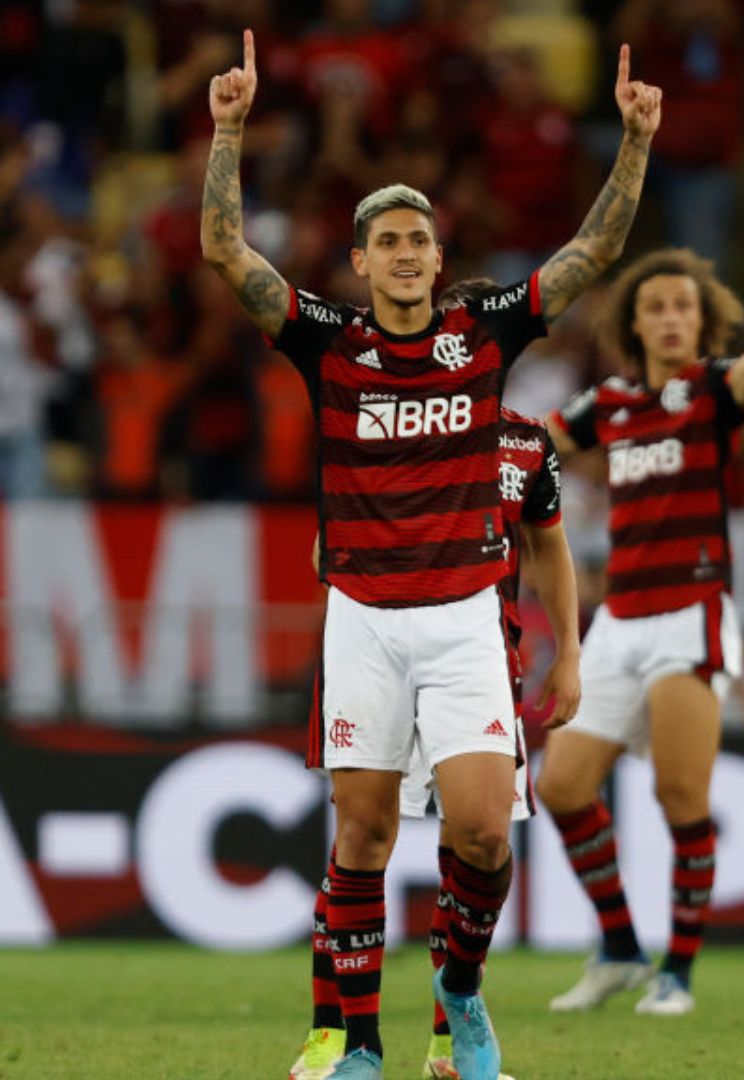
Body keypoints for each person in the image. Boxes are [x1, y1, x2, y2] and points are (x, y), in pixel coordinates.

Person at [200, 29, 656, 1080]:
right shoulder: (328, 343)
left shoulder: (486, 331)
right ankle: (356, 1044)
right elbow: (229, 254)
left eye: (420, 240)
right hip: (361, 616)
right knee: (360, 837)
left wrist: (632, 142)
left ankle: (457, 988)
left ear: (439, 259)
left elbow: (591, 256)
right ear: (360, 263)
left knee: (485, 836)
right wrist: (228, 130)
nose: (406, 253)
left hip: (463, 621)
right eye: (388, 242)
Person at [537, 247, 744, 1016]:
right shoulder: (607, 404)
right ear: (632, 325)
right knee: (561, 786)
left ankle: (678, 971)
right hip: (618, 621)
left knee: (680, 796)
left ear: (702, 320)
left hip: (689, 614)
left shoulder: (711, 390)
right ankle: (617, 947)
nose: (673, 318)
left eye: (684, 306)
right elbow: (531, 443)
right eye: (657, 307)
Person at [293, 390, 574, 1080]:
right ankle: (334, 1035)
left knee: (473, 843)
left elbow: (550, 547)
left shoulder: (527, 443)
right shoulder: (385, 423)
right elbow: (324, 551)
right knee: (360, 833)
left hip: (480, 657)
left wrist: (569, 649)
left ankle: (449, 1044)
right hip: (379, 645)